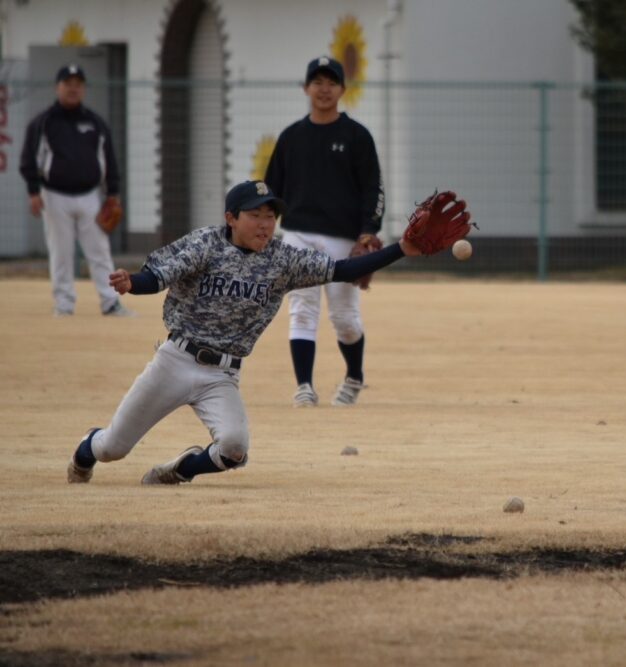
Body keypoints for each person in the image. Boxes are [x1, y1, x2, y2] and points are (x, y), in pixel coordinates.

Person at [66, 180, 469, 486]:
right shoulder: (206, 244)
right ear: (231, 218)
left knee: (235, 450)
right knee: (113, 449)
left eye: (270, 216)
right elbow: (160, 276)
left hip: (221, 375)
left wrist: (403, 249)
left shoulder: (282, 259)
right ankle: (86, 450)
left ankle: (180, 469)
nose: (264, 223)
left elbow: (341, 270)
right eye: (255, 215)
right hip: (174, 361)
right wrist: (131, 283)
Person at [265, 56, 384, 408]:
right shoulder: (291, 137)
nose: (324, 89)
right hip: (297, 234)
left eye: (331, 82)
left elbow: (373, 189)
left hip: (343, 238)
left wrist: (367, 232)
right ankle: (304, 386)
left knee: (344, 318)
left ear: (342, 90)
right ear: (306, 88)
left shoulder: (356, 136)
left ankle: (354, 377)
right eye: (317, 82)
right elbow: (271, 191)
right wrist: (264, 228)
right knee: (301, 308)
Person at [19, 63, 132, 317]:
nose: (73, 89)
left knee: (100, 251)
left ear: (83, 89)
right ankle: (64, 303)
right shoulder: (44, 122)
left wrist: (113, 193)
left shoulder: (95, 123)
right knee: (61, 252)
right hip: (53, 195)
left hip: (90, 195)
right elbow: (29, 159)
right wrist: (33, 191)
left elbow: (109, 160)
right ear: (58, 87)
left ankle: (110, 302)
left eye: (78, 84)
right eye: (68, 84)